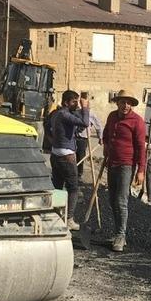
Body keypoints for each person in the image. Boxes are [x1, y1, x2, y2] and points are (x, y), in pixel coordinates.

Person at [102, 89, 147, 252]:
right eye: (123, 102)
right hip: (112, 163)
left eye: (129, 102)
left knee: (121, 201)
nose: (125, 105)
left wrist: (141, 170)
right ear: (117, 103)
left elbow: (141, 148)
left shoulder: (137, 122)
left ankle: (121, 236)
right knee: (112, 199)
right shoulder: (112, 117)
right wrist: (106, 146)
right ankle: (117, 233)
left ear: (132, 105)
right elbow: (106, 134)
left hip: (126, 165)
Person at [49, 90, 90, 231]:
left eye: (78, 101)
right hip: (66, 156)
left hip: (55, 154)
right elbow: (84, 122)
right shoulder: (65, 115)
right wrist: (85, 107)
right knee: (73, 187)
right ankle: (69, 219)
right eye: (74, 101)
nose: (76, 104)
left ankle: (55, 215)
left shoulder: (56, 113)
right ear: (66, 102)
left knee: (58, 186)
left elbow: (47, 126)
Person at [75, 102, 102, 179]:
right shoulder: (76, 112)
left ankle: (79, 174)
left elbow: (98, 125)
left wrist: (100, 137)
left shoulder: (91, 114)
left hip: (83, 138)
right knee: (72, 156)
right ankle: (72, 173)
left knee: (80, 156)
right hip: (74, 137)